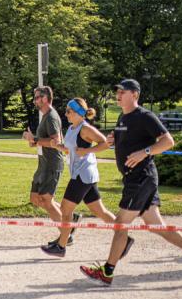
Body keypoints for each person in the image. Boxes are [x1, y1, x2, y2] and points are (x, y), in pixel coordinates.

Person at [80, 79, 182, 286]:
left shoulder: (144, 116)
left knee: (121, 223)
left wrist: (145, 152)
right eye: (117, 92)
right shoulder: (123, 117)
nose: (118, 95)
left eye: (123, 92)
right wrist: (113, 140)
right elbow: (127, 141)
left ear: (135, 95)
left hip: (141, 178)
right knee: (156, 226)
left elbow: (168, 141)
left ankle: (108, 271)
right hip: (135, 178)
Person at [41, 98, 130, 259]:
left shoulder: (85, 128)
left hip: (83, 175)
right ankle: (125, 237)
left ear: (78, 113)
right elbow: (70, 150)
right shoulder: (71, 128)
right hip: (84, 175)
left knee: (65, 210)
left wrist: (88, 151)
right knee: (100, 211)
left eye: (69, 111)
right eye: (66, 111)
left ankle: (61, 246)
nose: (66, 114)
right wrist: (57, 146)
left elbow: (105, 143)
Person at [22, 87, 70, 247]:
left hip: (52, 164)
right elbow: (41, 141)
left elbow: (56, 142)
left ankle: (66, 236)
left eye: (37, 97)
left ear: (46, 98)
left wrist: (35, 140)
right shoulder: (45, 117)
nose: (35, 100)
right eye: (35, 97)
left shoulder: (51, 117)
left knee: (47, 201)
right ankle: (70, 220)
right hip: (43, 164)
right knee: (35, 198)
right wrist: (32, 140)